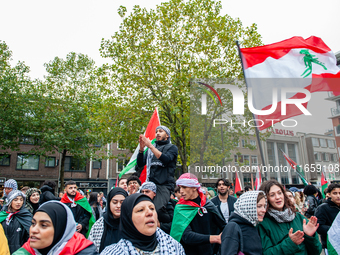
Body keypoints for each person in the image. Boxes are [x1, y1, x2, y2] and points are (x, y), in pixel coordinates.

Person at [101, 193, 185, 255]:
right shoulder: (112, 253)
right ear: (128, 219)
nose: (149, 213)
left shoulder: (175, 248)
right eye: (140, 210)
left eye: (152, 208)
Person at [258, 180, 322, 255]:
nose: (278, 197)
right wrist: (290, 243)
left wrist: (310, 237)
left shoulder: (298, 217)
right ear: (266, 199)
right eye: (272, 195)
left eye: (279, 193)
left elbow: (317, 251)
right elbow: (266, 253)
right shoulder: (263, 223)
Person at [13, 201, 98, 255]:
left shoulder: (85, 252)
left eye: (43, 225)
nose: (33, 230)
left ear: (61, 230)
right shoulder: (24, 252)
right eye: (33, 223)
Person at [170, 173, 226, 255]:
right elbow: (187, 236)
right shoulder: (180, 208)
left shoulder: (207, 204)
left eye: (184, 187)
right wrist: (215, 238)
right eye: (180, 187)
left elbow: (223, 225)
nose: (181, 191)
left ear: (194, 187)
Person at [137, 125, 178, 211]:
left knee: (157, 209)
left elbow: (166, 159)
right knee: (143, 208)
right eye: (156, 132)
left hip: (164, 185)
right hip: (151, 184)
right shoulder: (150, 150)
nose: (157, 133)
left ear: (167, 135)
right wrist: (141, 149)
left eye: (160, 131)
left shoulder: (172, 148)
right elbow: (140, 164)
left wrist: (151, 146)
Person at [221, 191, 267, 255]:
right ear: (248, 206)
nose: (264, 210)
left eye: (264, 206)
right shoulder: (233, 227)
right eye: (259, 206)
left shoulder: (253, 226)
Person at [89, 188, 128, 253]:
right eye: (115, 202)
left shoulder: (133, 224)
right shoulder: (99, 225)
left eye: (122, 202)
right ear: (109, 203)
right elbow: (91, 249)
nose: (118, 206)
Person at [315, 183, 340, 252]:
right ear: (329, 194)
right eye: (335, 193)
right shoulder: (322, 208)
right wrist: (336, 230)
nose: (338, 196)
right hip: (331, 245)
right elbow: (319, 227)